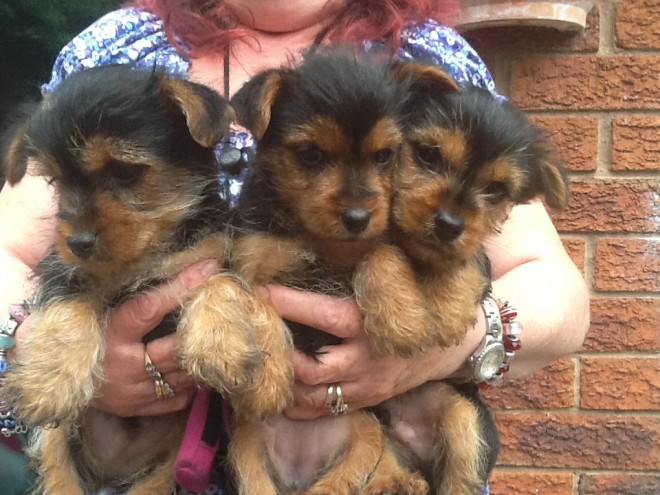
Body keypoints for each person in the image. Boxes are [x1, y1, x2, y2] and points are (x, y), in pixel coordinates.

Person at [0, 0, 590, 493]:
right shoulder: (115, 47)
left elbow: (554, 290)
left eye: (388, 157)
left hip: (364, 451)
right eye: (312, 155)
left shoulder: (427, 62)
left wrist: (442, 349)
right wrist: (34, 346)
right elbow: (11, 251)